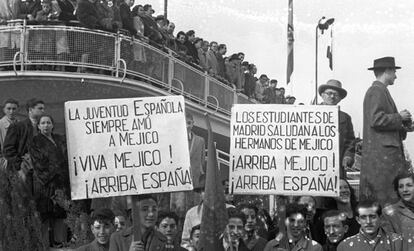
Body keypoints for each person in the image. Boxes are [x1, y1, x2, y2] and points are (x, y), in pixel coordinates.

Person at [360, 56, 413, 206]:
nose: (396, 76)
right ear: (387, 71)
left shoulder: (380, 91)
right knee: (386, 200)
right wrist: (399, 117)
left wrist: (404, 125)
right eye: (394, 71)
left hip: (385, 160)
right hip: (382, 161)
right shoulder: (376, 91)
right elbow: (376, 120)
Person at [29, 114, 70, 247]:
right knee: (45, 213)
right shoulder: (35, 141)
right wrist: (58, 167)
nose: (46, 125)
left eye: (48, 122)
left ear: (52, 125)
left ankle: (60, 242)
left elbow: (68, 156)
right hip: (45, 183)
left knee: (61, 212)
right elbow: (38, 164)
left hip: (62, 182)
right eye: (43, 123)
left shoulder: (60, 139)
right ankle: (44, 243)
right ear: (38, 126)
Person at [318, 79, 355, 178]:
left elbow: (350, 141)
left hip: (337, 166)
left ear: (340, 99)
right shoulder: (311, 114)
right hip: (314, 165)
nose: (332, 97)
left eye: (336, 94)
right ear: (322, 95)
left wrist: (348, 156)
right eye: (329, 93)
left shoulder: (345, 118)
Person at [3, 98, 45, 181]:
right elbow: (8, 149)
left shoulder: (44, 126)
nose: (43, 111)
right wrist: (19, 165)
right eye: (40, 108)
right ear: (30, 110)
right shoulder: (17, 126)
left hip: (39, 169)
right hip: (22, 170)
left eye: (43, 108)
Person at [337, 200, 403, 251]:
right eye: (363, 217)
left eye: (372, 217)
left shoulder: (397, 242)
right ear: (358, 220)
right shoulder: (345, 246)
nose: (368, 222)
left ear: (380, 218)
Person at [383, 172, 414, 250]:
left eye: (409, 185)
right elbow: (389, 245)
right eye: (400, 186)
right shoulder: (389, 213)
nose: (405, 190)